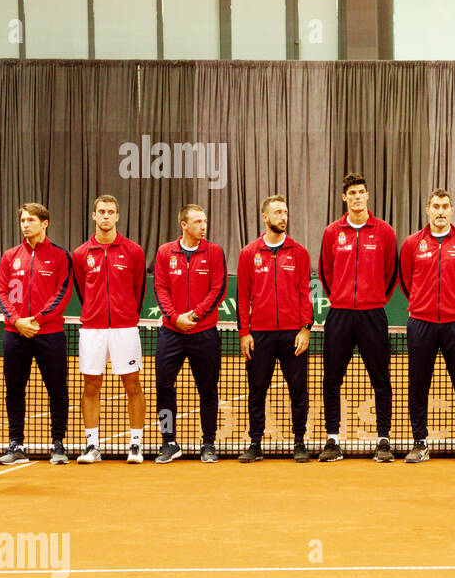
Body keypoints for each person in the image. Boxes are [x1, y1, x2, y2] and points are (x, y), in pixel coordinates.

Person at [318, 173, 398, 462]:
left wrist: (375, 299)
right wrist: (339, 298)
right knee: (331, 380)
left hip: (373, 315)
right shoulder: (331, 233)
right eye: (352, 193)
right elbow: (325, 272)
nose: (357, 197)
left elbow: (391, 273)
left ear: (367, 196)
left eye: (361, 192)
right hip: (339, 315)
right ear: (344, 198)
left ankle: (383, 439)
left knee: (381, 379)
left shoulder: (385, 231)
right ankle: (332, 439)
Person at [398, 188, 455, 464]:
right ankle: (420, 442)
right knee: (418, 385)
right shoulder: (411, 244)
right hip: (421, 324)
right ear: (427, 210)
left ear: (452, 210)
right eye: (436, 206)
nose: (441, 211)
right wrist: (423, 307)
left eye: (445, 206)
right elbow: (406, 282)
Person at [0, 203, 73, 465]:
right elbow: (1, 292)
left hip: (49, 334)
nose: (25, 224)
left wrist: (37, 321)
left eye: (30, 220)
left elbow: (62, 294)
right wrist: (17, 321)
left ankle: (58, 444)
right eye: (23, 220)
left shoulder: (61, 255)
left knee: (58, 390)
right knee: (14, 390)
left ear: (44, 223)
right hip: (14, 334)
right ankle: (16, 444)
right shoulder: (9, 256)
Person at [236, 195, 313, 463]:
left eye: (286, 212)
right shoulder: (249, 253)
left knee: (298, 390)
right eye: (278, 212)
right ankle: (255, 442)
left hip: (293, 335)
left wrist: (305, 328)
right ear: (265, 217)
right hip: (260, 335)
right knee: (257, 389)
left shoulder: (300, 253)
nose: (283, 216)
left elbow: (305, 292)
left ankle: (300, 442)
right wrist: (244, 333)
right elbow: (242, 296)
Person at [71, 194, 147, 464]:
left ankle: (136, 445)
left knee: (133, 385)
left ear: (117, 216)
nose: (105, 216)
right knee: (90, 385)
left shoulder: (133, 251)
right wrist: (95, 312)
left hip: (125, 327)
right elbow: (82, 289)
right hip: (92, 328)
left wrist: (126, 314)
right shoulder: (80, 254)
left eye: (110, 212)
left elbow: (139, 289)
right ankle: (92, 446)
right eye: (101, 211)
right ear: (93, 216)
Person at [153, 204, 227, 463]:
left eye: (204, 221)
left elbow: (218, 289)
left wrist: (194, 316)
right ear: (183, 224)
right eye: (197, 222)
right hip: (171, 333)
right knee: (163, 386)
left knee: (208, 390)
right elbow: (160, 288)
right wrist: (175, 318)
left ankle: (208, 443)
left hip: (204, 333)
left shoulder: (215, 252)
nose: (203, 226)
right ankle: (169, 442)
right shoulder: (165, 252)